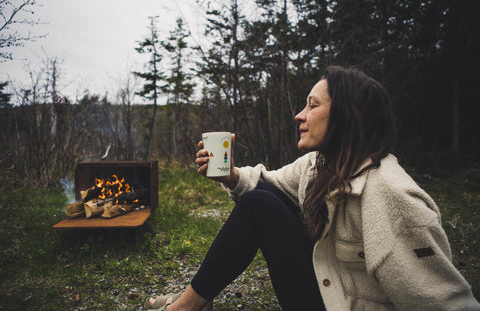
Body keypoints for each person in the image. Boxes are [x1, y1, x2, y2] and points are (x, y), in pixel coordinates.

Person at [145, 66, 480, 311]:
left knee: (261, 204)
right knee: (261, 202)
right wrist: (229, 175)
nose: (298, 115)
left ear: (348, 116)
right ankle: (189, 303)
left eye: (313, 105)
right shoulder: (320, 164)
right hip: (324, 287)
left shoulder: (390, 195)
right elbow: (267, 186)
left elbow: (447, 302)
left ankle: (183, 307)